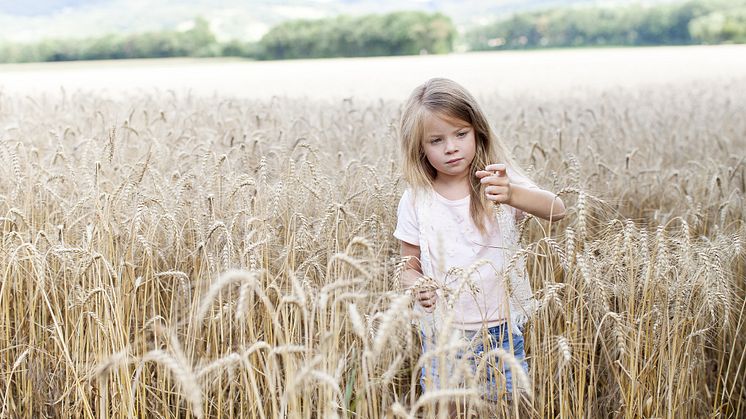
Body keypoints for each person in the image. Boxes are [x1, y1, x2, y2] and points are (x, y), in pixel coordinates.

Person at [394, 78, 566, 405]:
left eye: (461, 134)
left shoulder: (496, 182)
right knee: (449, 408)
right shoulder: (416, 200)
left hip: (500, 329)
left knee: (506, 406)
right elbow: (407, 266)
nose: (451, 147)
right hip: (442, 333)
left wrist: (514, 195)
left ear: (478, 132)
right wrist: (418, 285)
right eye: (436, 140)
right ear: (419, 148)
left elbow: (558, 209)